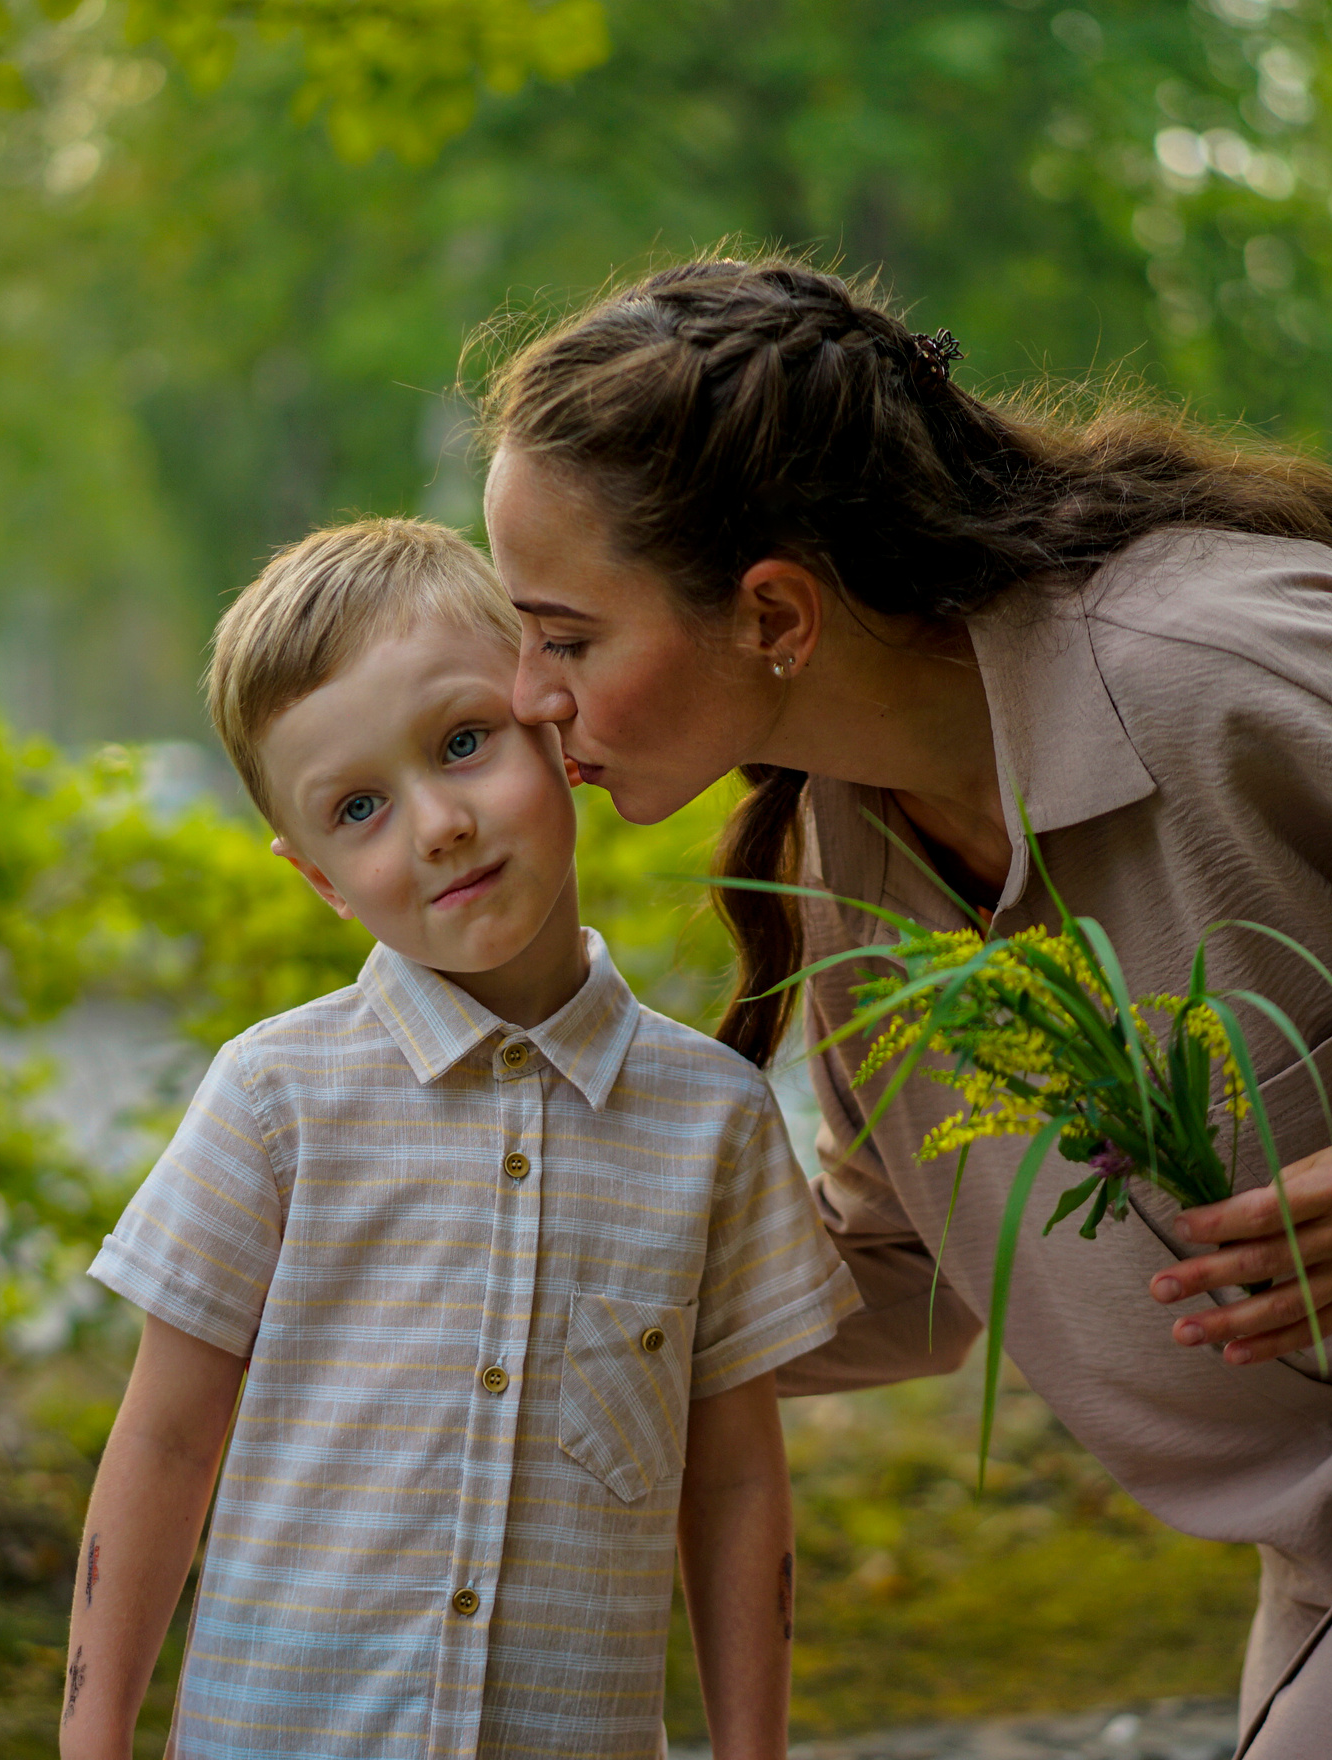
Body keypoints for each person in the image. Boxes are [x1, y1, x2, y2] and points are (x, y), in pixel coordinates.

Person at [477, 258, 1332, 1760]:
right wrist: (557, 1305)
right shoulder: (846, 857)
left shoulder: (1215, 663)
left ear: (775, 611)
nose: (530, 692)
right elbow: (921, 1266)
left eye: (567, 637)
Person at [57, 517, 861, 1760]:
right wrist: (91, 1737)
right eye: (361, 807)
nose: (435, 824)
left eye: (464, 742)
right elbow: (165, 1436)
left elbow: (737, 1479)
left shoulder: (711, 1122)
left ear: (560, 725)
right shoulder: (276, 1097)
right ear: (320, 878)